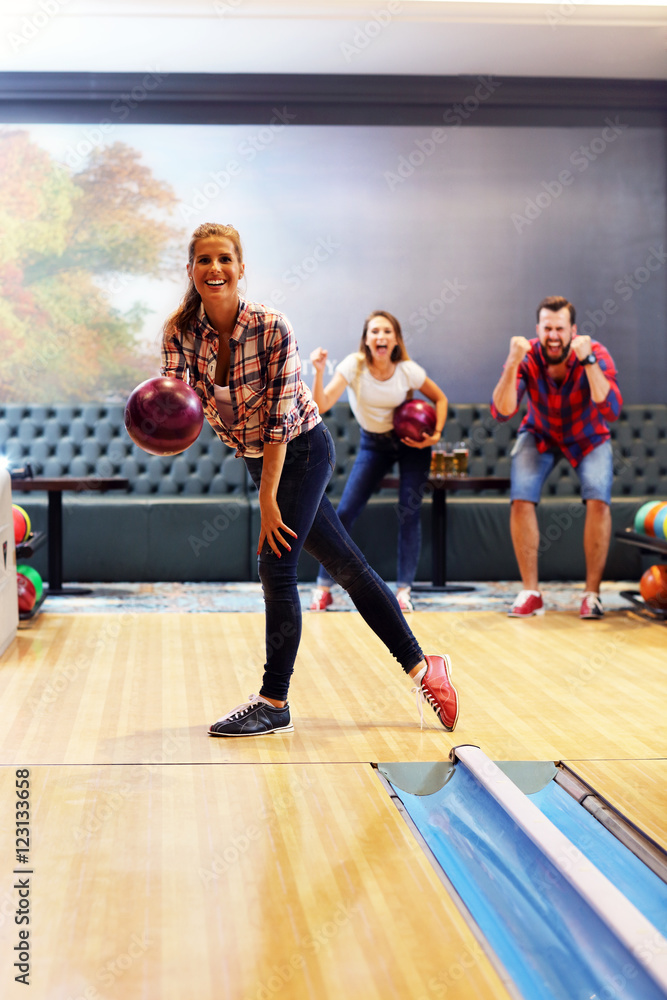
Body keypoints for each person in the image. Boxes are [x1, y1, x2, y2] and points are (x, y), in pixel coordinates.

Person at [160, 223, 458, 736]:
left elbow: (278, 423)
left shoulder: (272, 327)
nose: (215, 269)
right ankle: (423, 666)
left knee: (276, 566)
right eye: (203, 260)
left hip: (300, 448)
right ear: (190, 270)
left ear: (241, 266)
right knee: (346, 565)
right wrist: (160, 426)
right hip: (260, 457)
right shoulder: (180, 332)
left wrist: (268, 500)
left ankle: (274, 700)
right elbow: (177, 405)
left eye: (225, 258)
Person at [491, 295, 622, 620]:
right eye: (547, 328)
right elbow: (502, 412)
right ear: (538, 329)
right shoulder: (527, 355)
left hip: (588, 436)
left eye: (560, 328)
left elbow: (612, 410)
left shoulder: (595, 353)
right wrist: (511, 362)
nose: (553, 335)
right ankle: (531, 592)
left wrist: (589, 361)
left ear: (573, 330)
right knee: (520, 497)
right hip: (540, 434)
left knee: (598, 499)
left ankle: (591, 595)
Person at [309, 311, 448, 613]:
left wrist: (434, 435)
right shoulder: (354, 366)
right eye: (375, 332)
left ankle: (403, 591)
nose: (381, 336)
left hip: (411, 445)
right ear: (367, 339)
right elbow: (321, 405)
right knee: (345, 511)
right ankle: (323, 587)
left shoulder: (407, 370)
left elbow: (440, 399)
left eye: (387, 331)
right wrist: (319, 372)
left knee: (409, 513)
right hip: (374, 444)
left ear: (396, 339)